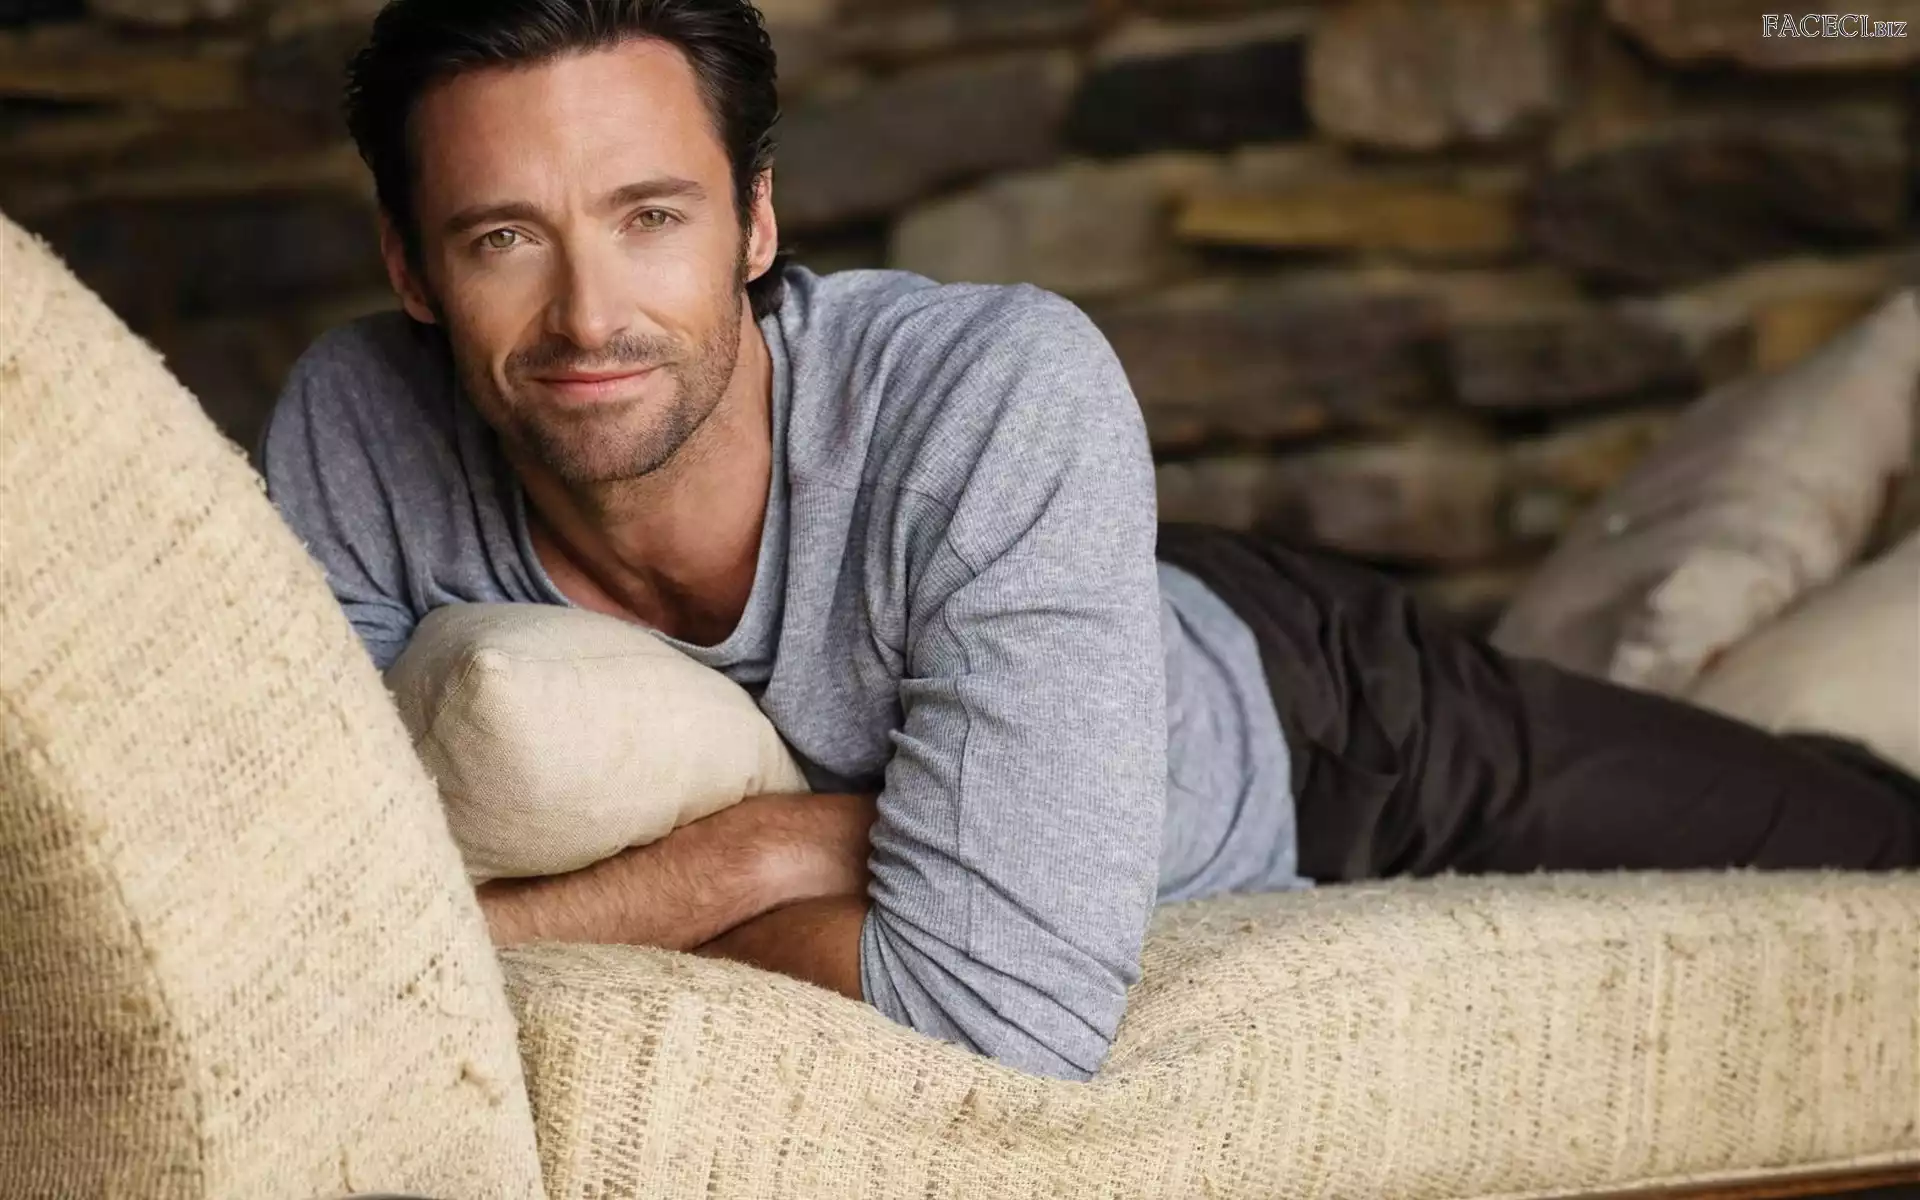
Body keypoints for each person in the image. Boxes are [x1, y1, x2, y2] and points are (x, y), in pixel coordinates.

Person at [259, 0, 1920, 1082]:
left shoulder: (996, 384)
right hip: (1049, 594)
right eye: (503, 237)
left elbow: (1002, 1011)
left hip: (1326, 726)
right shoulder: (358, 422)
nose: (586, 316)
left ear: (754, 221)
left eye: (650, 216)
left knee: (1862, 838)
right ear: (411, 270)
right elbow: (309, 924)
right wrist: (749, 862)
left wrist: (677, 884)